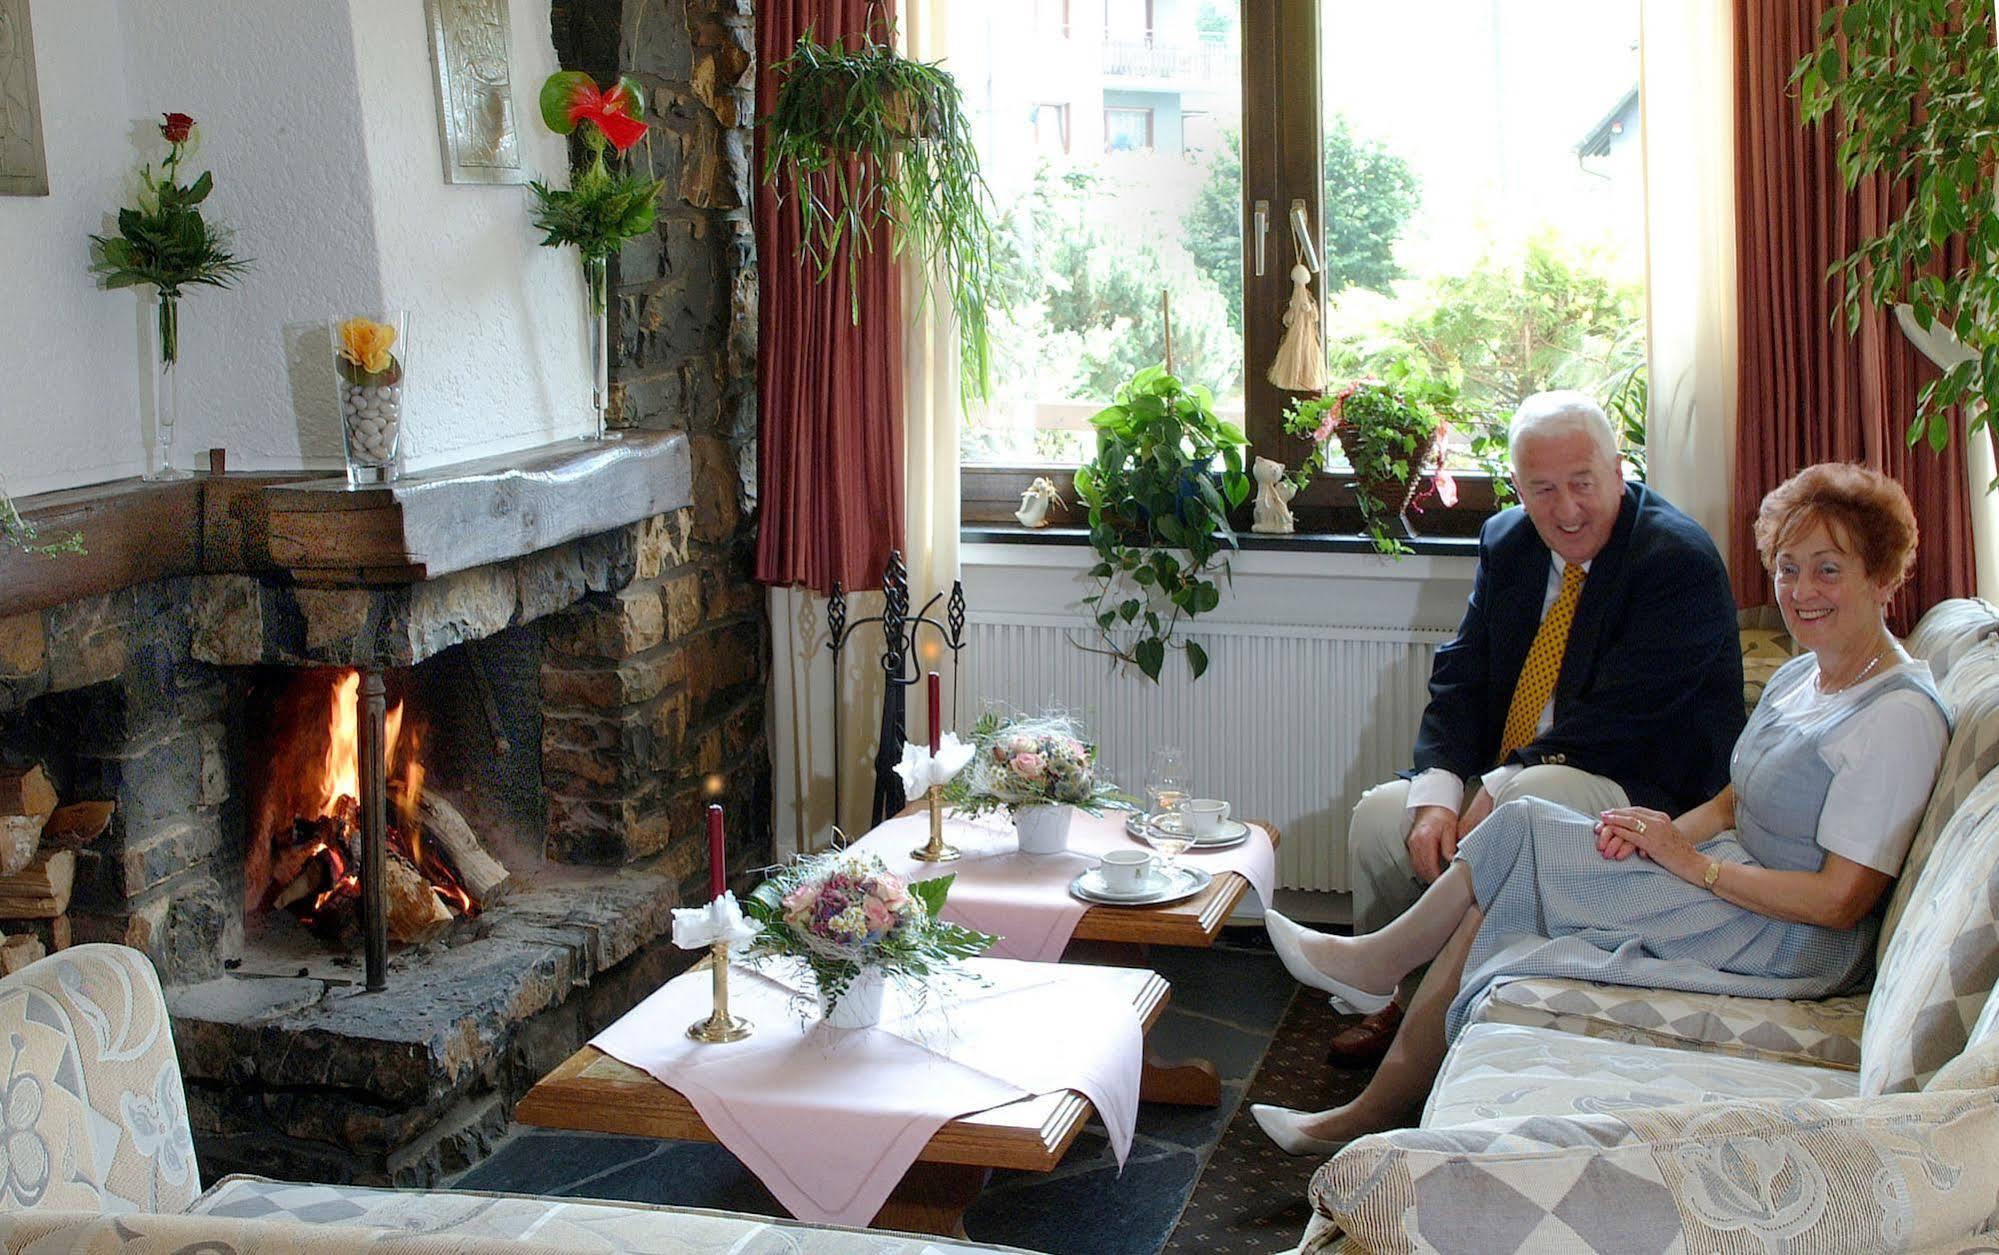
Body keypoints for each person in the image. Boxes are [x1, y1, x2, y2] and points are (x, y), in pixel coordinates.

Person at [1253, 462, 1949, 1154]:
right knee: (1515, 857)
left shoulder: (1896, 716)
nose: (1801, 591)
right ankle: (1369, 1078)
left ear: (1883, 576)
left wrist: (1690, 867)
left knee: (1519, 838)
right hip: (1735, 882)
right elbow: (1738, 796)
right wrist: (1660, 835)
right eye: (1787, 567)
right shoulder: (1807, 673)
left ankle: (1369, 1038)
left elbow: (1837, 902)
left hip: (1787, 937)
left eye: (1827, 570)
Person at [1328, 390, 1744, 1063]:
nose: (1566, 509)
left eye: (1582, 483)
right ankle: (1390, 1000)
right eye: (1542, 489)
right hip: (1522, 768)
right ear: (1516, 487)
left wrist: (1505, 777)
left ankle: (1434, 1035)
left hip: (1641, 788)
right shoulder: (1507, 541)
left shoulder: (1675, 560)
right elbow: (1461, 676)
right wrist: (1437, 792)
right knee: (1385, 817)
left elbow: (1625, 716)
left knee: (1529, 799)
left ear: (1618, 469)